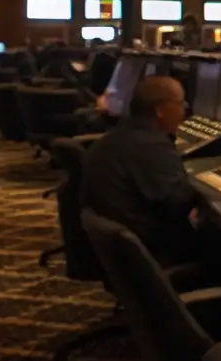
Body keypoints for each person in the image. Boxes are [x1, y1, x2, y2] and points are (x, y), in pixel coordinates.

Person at [81, 75, 201, 265]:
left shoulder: (119, 135)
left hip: (119, 252)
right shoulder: (151, 144)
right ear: (160, 110)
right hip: (150, 252)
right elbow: (178, 202)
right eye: (180, 104)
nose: (184, 111)